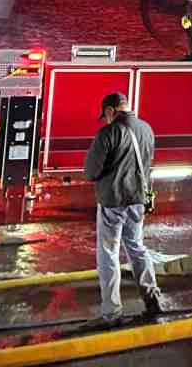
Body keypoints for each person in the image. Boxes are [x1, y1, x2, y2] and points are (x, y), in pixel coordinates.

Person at [83, 92, 168, 323]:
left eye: (106, 115)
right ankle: (153, 299)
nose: (106, 119)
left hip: (113, 202)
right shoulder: (147, 129)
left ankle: (112, 312)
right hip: (138, 201)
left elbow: (91, 172)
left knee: (108, 254)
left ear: (110, 110)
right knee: (137, 247)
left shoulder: (108, 133)